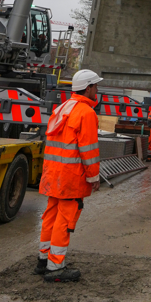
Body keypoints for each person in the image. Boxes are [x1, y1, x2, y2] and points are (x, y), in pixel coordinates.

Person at [36, 68, 102, 283]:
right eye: (95, 86)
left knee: (50, 216)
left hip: (53, 174)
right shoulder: (86, 113)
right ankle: (55, 267)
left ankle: (43, 260)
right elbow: (88, 150)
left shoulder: (62, 108)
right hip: (71, 176)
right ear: (88, 88)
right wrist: (93, 177)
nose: (97, 90)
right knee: (64, 220)